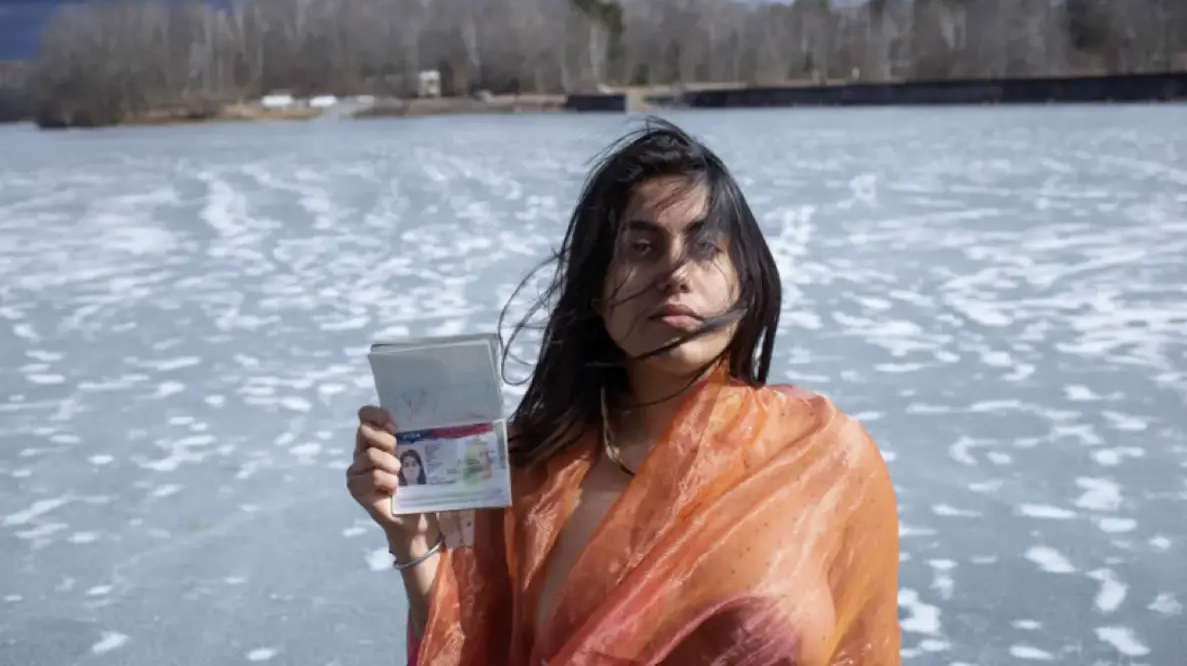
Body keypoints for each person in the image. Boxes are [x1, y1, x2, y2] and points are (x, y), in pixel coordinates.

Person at [346, 118, 901, 665]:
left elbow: (863, 646)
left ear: (746, 280)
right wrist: (414, 545)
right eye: (642, 247)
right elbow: (475, 650)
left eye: (706, 246)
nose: (676, 272)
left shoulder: (818, 456)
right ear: (596, 289)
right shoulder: (529, 477)